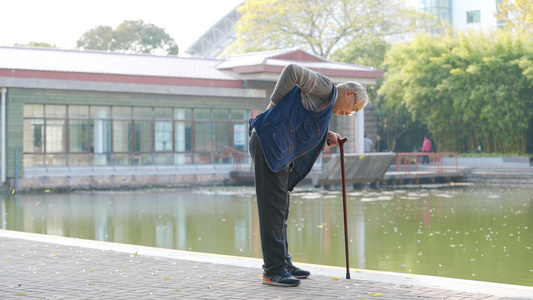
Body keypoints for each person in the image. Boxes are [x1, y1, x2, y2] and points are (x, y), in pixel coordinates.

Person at [248, 64, 369, 286]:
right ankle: (273, 270)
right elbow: (292, 70)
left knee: (281, 207)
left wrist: (326, 135)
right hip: (268, 143)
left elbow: (300, 120)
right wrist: (273, 106)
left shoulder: (324, 102)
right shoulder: (326, 88)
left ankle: (283, 263)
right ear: (349, 93)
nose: (348, 114)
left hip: (278, 148)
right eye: (353, 108)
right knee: (272, 208)